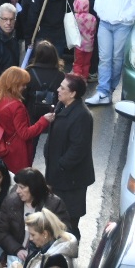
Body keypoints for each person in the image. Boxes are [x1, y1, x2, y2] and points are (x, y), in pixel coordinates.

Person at [42, 74, 94, 240]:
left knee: (68, 223)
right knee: (54, 220)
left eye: (63, 88)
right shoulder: (62, 106)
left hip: (71, 181)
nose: (58, 90)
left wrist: (60, 165)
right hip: (58, 176)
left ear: (73, 94)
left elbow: (78, 148)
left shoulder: (82, 116)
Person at [0, 67, 54, 173]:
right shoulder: (16, 106)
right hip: (14, 153)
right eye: (23, 84)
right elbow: (24, 133)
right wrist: (43, 120)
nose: (25, 87)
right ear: (14, 85)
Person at [0, 169, 70, 265]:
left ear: (33, 188)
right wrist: (17, 249)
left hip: (42, 257)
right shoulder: (11, 201)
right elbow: (1, 231)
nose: (17, 191)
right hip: (15, 255)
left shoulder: (54, 204)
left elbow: (64, 233)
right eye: (17, 186)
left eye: (21, 187)